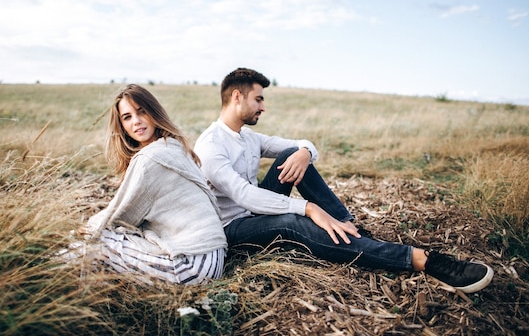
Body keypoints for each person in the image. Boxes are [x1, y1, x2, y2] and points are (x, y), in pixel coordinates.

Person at [194, 68, 494, 293]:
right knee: (293, 222)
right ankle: (423, 261)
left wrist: (304, 152)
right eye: (258, 99)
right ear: (237, 97)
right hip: (232, 230)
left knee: (291, 154)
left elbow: (304, 144)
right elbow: (244, 195)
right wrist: (309, 208)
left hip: (254, 211)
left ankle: (352, 229)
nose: (263, 106)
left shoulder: (248, 137)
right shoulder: (210, 145)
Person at [81, 84, 227, 285]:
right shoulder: (174, 146)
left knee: (97, 242)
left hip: (192, 267)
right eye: (127, 117)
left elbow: (120, 217)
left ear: (154, 112)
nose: (137, 122)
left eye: (142, 112)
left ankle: (50, 275)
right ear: (122, 125)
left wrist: (84, 229)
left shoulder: (150, 158)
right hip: (211, 259)